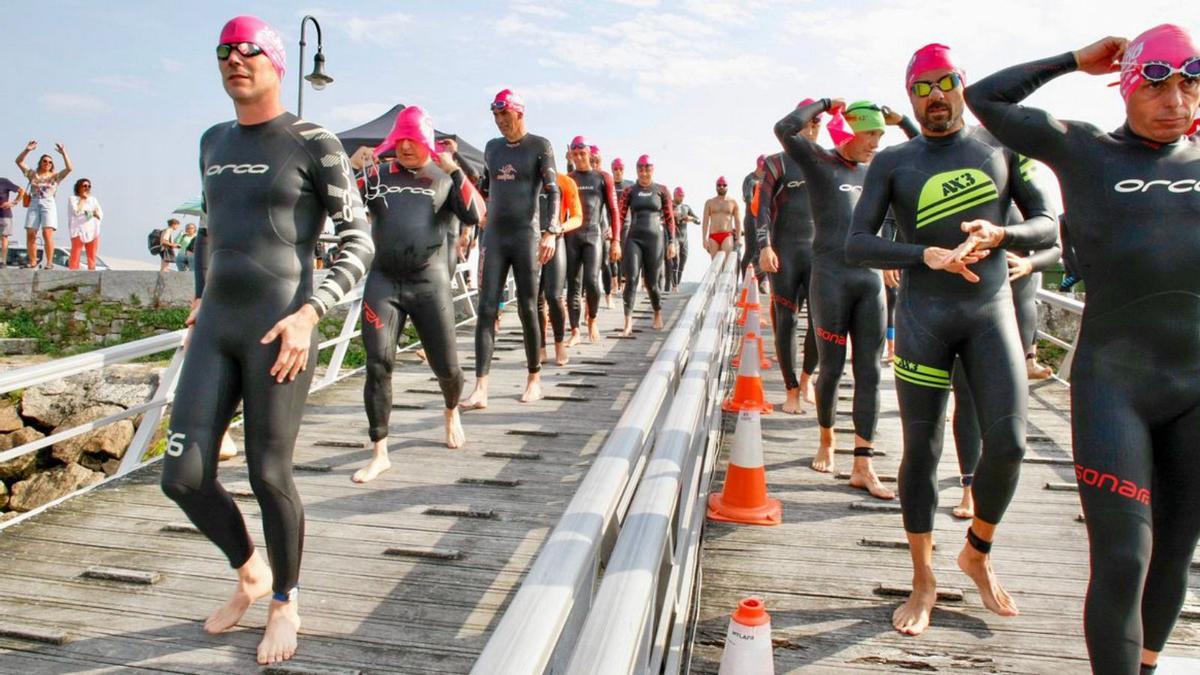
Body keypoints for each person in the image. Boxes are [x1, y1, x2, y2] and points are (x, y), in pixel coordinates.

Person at [965, 26, 1200, 674]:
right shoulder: (1086, 150)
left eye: (1188, 81)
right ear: (1126, 86)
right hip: (1113, 385)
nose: (1174, 98)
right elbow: (986, 98)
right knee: (1125, 556)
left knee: (1175, 553)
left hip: (1195, 386)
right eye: (1155, 82)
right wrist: (1074, 59)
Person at [160, 16, 373, 666]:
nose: (234, 60)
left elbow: (359, 238)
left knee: (268, 471)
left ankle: (285, 600)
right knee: (181, 476)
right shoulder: (213, 140)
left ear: (277, 62)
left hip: (282, 325)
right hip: (218, 323)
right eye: (223, 51)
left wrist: (312, 313)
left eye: (248, 50)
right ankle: (248, 569)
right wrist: (200, 294)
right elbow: (209, 231)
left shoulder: (313, 140)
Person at [846, 43, 1057, 637]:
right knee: (922, 451)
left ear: (962, 85)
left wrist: (1003, 233)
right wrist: (924, 254)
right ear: (910, 96)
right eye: (921, 88)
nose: (935, 97)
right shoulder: (893, 161)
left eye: (945, 83)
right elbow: (856, 244)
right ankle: (923, 577)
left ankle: (976, 551)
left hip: (991, 314)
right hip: (923, 321)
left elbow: (1047, 223)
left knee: (1010, 444)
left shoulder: (1001, 147)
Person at [775, 98, 915, 500]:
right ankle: (826, 440)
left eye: (879, 134)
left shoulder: (881, 170)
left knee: (869, 370)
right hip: (830, 280)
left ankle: (863, 463)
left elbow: (926, 147)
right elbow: (784, 128)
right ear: (849, 131)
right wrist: (823, 104)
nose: (876, 141)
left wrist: (902, 119)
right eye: (870, 132)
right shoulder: (820, 163)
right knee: (832, 368)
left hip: (869, 282)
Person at [347, 105, 481, 484]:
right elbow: (337, 201)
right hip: (384, 282)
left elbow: (476, 213)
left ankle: (451, 408)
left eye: (413, 139)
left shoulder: (443, 176)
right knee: (377, 363)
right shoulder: (378, 174)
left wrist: (455, 169)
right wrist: (353, 168)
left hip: (430, 283)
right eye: (399, 138)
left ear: (426, 140)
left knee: (448, 369)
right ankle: (379, 451)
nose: (405, 147)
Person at [949, 204, 1062, 520]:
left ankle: (995, 481)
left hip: (1017, 316)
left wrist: (1028, 264)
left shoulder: (1026, 202)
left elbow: (1054, 249)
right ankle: (969, 487)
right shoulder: (969, 205)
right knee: (967, 399)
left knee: (1005, 411)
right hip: (971, 312)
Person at [460, 89, 560, 409]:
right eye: (496, 116)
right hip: (494, 236)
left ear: (519, 113)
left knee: (528, 307)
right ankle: (480, 387)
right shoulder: (492, 148)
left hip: (526, 236)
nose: (500, 122)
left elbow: (553, 191)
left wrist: (551, 231)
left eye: (505, 115)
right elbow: (486, 189)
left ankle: (534, 378)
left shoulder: (539, 146)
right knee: (486, 308)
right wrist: (471, 227)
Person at [758, 100, 823, 414]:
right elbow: (761, 212)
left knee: (821, 321)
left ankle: (808, 376)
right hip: (785, 251)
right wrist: (764, 247)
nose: (813, 127)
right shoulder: (776, 163)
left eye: (818, 122)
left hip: (819, 252)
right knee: (786, 320)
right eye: (808, 121)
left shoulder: (827, 161)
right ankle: (791, 389)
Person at [567, 136, 619, 344]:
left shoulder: (602, 178)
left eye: (583, 154)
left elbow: (613, 210)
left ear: (590, 154)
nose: (579, 158)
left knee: (591, 281)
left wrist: (616, 240)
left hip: (594, 235)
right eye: (575, 154)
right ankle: (574, 332)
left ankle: (593, 319)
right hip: (572, 237)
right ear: (571, 155)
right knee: (573, 285)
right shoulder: (569, 178)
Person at [616, 155, 675, 336]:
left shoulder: (662, 191)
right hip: (634, 238)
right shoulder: (629, 191)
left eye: (647, 168)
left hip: (655, 240)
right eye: (640, 169)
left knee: (652, 283)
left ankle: (657, 312)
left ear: (652, 169)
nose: (644, 172)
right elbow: (619, 216)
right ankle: (627, 322)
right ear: (636, 170)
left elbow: (669, 218)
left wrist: (672, 242)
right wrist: (615, 241)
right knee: (631, 279)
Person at [538, 169, 581, 365]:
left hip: (556, 238)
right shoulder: (526, 177)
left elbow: (577, 217)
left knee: (554, 296)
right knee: (532, 300)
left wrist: (558, 229)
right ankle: (539, 347)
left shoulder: (565, 181)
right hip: (529, 239)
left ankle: (558, 344)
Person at [15, 141, 72, 269]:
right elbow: (19, 161)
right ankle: (32, 260)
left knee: (47, 233)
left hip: (48, 203)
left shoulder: (55, 176)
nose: (47, 163)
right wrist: (27, 149)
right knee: (31, 232)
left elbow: (69, 168)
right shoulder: (33, 174)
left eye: (50, 162)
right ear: (40, 162)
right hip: (34, 202)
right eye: (45, 161)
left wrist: (64, 154)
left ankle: (49, 262)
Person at [606, 157, 634, 304]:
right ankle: (614, 281)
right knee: (611, 254)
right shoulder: (608, 183)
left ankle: (623, 283)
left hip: (627, 223)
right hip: (611, 224)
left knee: (624, 253)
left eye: (620, 169)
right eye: (615, 169)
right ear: (612, 169)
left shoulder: (629, 185)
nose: (618, 172)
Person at [741, 157, 766, 288]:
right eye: (762, 167)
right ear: (758, 166)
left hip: (764, 218)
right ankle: (745, 282)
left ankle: (762, 281)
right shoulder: (750, 179)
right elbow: (748, 198)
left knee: (764, 248)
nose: (764, 170)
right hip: (752, 218)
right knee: (751, 250)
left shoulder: (767, 180)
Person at [67, 178, 102, 270]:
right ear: (79, 187)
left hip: (93, 230)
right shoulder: (73, 199)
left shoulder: (93, 200)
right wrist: (82, 200)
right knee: (76, 254)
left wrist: (88, 213)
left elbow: (99, 215)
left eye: (89, 186)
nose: (87, 188)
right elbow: (77, 212)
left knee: (92, 255)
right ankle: (73, 273)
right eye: (84, 186)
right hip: (78, 230)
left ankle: (92, 273)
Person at [702, 177, 740, 258]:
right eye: (719, 185)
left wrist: (738, 239)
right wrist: (704, 239)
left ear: (727, 187)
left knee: (726, 261)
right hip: (713, 236)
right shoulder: (709, 202)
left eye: (724, 185)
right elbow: (705, 221)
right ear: (716, 186)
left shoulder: (732, 202)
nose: (721, 187)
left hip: (727, 235)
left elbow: (738, 222)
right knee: (715, 264)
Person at [671, 187, 699, 288]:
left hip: (684, 238)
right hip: (674, 237)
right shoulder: (669, 205)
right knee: (676, 261)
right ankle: (674, 287)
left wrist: (691, 219)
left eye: (682, 196)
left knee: (682, 263)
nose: (681, 198)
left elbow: (698, 220)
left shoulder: (686, 207)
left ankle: (677, 284)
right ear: (674, 195)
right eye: (679, 195)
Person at [0, 175, 21, 267]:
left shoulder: (4, 181)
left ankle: (2, 261)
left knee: (4, 237)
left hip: (4, 215)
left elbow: (21, 191)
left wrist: (13, 202)